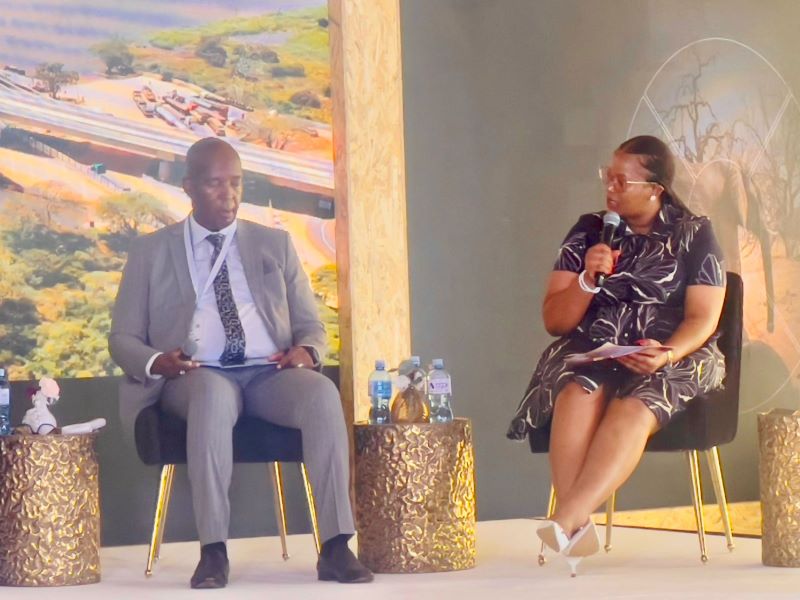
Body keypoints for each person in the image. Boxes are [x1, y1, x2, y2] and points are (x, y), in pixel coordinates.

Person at [109, 138, 373, 588]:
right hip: (195, 376)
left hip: (268, 374)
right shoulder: (151, 252)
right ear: (189, 187)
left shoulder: (275, 244)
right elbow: (121, 338)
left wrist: (308, 351)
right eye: (215, 184)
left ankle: (335, 546)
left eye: (236, 183)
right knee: (211, 396)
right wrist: (157, 361)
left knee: (322, 394)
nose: (228, 195)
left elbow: (311, 326)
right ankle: (214, 552)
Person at [507, 135, 727, 576]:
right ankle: (575, 527)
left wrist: (666, 354)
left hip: (670, 352)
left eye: (621, 181)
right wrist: (587, 279)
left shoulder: (693, 233)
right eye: (607, 176)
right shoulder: (589, 230)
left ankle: (566, 520)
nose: (609, 187)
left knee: (636, 404)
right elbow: (555, 320)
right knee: (576, 390)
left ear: (655, 189)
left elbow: (703, 317)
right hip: (596, 345)